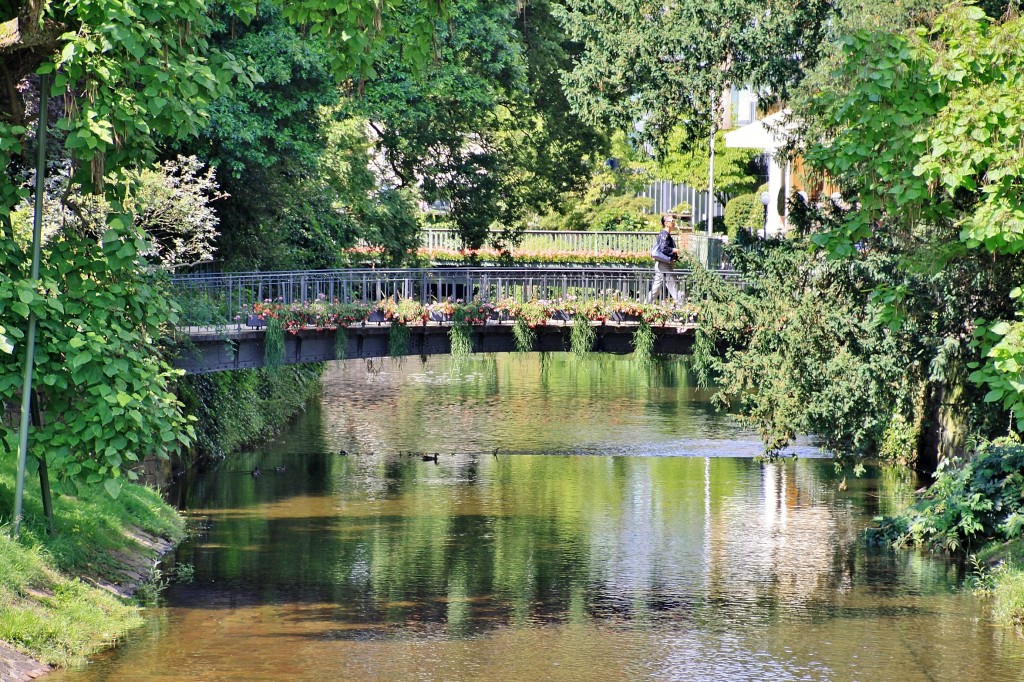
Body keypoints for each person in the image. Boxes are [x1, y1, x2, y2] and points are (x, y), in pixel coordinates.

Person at [646, 214, 681, 303]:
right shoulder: (664, 234)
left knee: (656, 288)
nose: (674, 223)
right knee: (673, 285)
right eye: (672, 221)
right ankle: (682, 307)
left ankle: (645, 305)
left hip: (661, 265)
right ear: (666, 223)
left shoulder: (665, 234)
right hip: (664, 265)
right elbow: (663, 248)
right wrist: (674, 250)